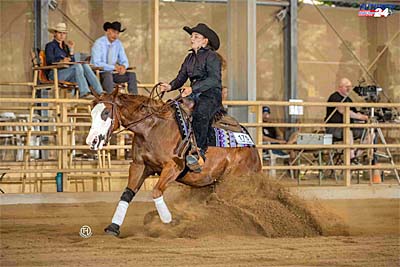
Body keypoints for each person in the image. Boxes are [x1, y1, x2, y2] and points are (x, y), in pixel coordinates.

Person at [160, 23, 223, 169]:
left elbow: (214, 79)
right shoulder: (189, 58)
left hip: (211, 94)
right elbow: (181, 77)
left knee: (200, 113)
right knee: (171, 109)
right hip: (193, 93)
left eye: (196, 36)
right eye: (191, 36)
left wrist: (193, 88)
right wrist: (170, 86)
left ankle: (199, 152)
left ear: (205, 41)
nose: (192, 39)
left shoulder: (212, 57)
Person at [45, 22, 103, 98]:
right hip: (55, 73)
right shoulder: (50, 46)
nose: (62, 35)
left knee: (85, 65)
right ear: (55, 33)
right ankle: (85, 92)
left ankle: (100, 92)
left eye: (64, 33)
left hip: (68, 73)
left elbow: (71, 60)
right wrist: (61, 61)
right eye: (60, 33)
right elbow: (50, 60)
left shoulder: (65, 47)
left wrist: (71, 50)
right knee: (77, 66)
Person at [325, 77, 369, 161]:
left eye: (350, 86)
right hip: (335, 129)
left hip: (349, 127)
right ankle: (351, 157)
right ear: (340, 87)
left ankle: (356, 154)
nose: (349, 89)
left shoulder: (349, 99)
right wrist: (360, 117)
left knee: (370, 133)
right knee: (347, 131)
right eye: (346, 86)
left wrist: (365, 117)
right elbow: (344, 111)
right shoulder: (334, 97)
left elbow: (355, 112)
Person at [91, 21, 138, 94]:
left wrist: (123, 66)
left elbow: (124, 59)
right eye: (113, 32)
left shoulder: (118, 44)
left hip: (112, 73)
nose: (115, 35)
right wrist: (113, 67)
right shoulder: (99, 43)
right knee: (108, 75)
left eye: (117, 33)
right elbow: (96, 63)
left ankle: (134, 99)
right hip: (99, 73)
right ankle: (111, 100)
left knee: (131, 75)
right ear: (108, 31)